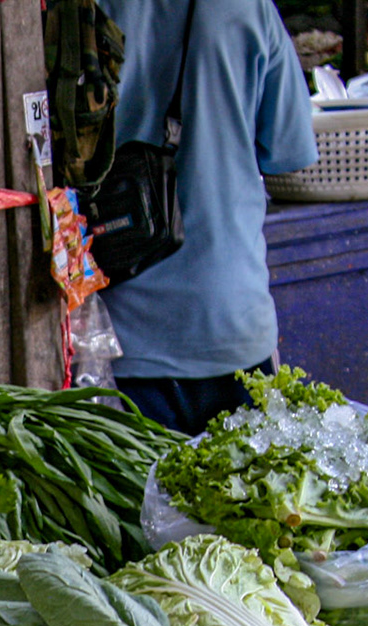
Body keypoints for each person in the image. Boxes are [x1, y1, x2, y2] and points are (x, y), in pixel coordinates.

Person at [98, 0, 316, 437]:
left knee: (140, 504)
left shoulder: (89, 8)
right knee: (242, 502)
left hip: (122, 331)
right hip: (229, 321)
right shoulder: (250, 8)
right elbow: (287, 150)